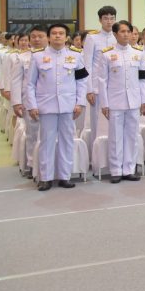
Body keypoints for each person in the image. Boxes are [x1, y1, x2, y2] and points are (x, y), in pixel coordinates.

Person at [26, 23, 87, 191]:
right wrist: (32, 105)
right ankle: (45, 177)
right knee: (46, 141)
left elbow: (82, 81)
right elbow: (30, 84)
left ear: (67, 37)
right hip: (46, 106)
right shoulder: (38, 57)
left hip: (69, 106)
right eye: (54, 33)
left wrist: (80, 102)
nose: (57, 36)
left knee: (67, 141)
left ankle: (64, 176)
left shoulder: (76, 56)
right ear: (48, 37)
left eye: (61, 33)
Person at [91, 20, 145, 183]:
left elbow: (143, 79)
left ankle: (129, 169)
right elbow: (102, 81)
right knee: (115, 137)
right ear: (115, 34)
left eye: (128, 31)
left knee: (132, 136)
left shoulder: (138, 53)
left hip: (134, 101)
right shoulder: (107, 54)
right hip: (115, 101)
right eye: (122, 31)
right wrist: (104, 104)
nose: (126, 34)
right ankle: (116, 170)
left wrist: (144, 100)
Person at [11, 25, 48, 177]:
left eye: (40, 36)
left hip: (51, 102)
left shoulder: (54, 55)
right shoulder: (22, 58)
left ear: (47, 37)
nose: (37, 39)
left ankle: (50, 164)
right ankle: (32, 165)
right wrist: (16, 102)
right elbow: (16, 81)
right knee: (32, 134)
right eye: (33, 37)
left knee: (50, 135)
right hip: (29, 102)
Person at [82, 5, 117, 147]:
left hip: (114, 86)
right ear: (100, 20)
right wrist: (89, 89)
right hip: (96, 87)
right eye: (106, 18)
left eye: (112, 18)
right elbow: (87, 65)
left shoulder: (118, 37)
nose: (109, 21)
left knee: (114, 122)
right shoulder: (92, 38)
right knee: (97, 123)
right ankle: (96, 155)